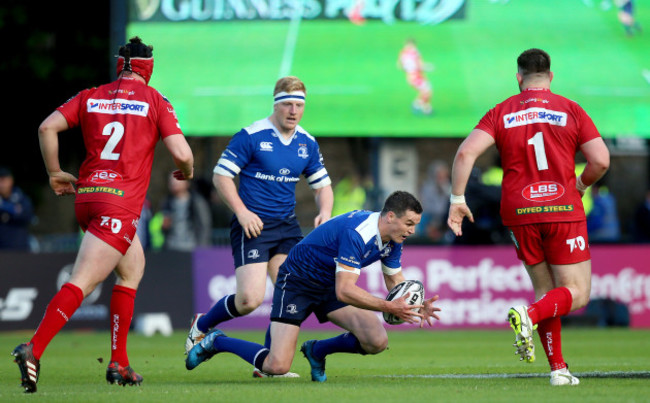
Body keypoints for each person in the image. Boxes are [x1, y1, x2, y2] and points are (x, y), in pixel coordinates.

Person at [11, 36, 194, 393]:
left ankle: (119, 363)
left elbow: (46, 127)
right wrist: (186, 172)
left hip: (88, 198)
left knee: (132, 269)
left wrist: (53, 172)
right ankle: (33, 349)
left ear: (119, 65)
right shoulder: (155, 100)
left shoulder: (90, 94)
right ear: (148, 69)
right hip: (119, 205)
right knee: (82, 281)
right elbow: (183, 153)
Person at [447, 48, 610, 386]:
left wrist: (457, 200)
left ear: (518, 77)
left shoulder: (502, 111)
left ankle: (558, 371)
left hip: (520, 212)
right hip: (562, 208)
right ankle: (529, 315)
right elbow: (601, 161)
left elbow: (466, 153)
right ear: (550, 77)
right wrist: (579, 185)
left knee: (546, 290)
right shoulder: (570, 109)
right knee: (576, 293)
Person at [185, 191, 441, 381]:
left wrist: (415, 305)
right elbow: (345, 291)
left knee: (376, 340)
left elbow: (395, 280)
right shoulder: (358, 233)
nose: (412, 230)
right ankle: (216, 342)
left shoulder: (394, 238)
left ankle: (317, 350)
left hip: (328, 283)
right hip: (298, 281)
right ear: (391, 216)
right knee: (277, 366)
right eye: (409, 223)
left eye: (415, 225)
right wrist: (388, 306)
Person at [185, 76, 334, 378]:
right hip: (252, 226)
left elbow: (323, 187)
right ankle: (202, 325)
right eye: (288, 104)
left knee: (289, 294)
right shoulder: (251, 136)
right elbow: (221, 177)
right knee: (249, 301)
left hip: (287, 228)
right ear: (276, 104)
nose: (294, 111)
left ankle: (268, 365)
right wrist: (241, 212)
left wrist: (326, 212)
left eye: (299, 105)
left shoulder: (307, 142)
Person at [160, 173, 212, 251]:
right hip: (171, 247)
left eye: (177, 181)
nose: (174, 184)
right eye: (171, 182)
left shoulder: (197, 202)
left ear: (186, 183)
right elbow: (162, 227)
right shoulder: (166, 202)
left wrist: (202, 247)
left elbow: (204, 225)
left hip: (192, 246)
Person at [0, 166, 35, 251]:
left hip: (19, 250)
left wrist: (3, 205)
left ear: (11, 180)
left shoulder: (21, 198)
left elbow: (26, 215)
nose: (1, 184)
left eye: (4, 180)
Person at [397, 38, 434, 116]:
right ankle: (418, 106)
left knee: (425, 91)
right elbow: (419, 65)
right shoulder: (415, 53)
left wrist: (408, 70)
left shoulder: (403, 53)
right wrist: (427, 67)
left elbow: (399, 66)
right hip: (416, 76)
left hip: (411, 76)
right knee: (427, 91)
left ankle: (425, 108)